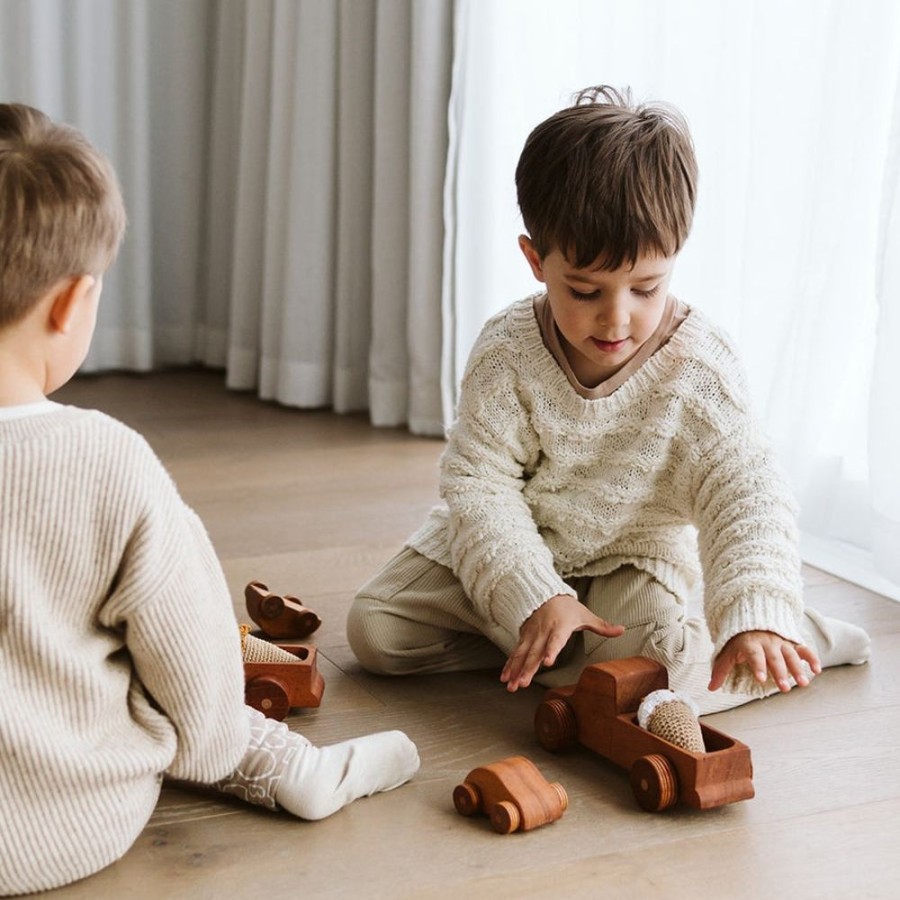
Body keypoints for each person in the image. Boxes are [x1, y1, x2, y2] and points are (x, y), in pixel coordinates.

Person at [0, 103, 419, 897]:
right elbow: (193, 674)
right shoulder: (107, 463)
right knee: (190, 702)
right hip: (72, 824)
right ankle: (291, 770)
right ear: (70, 304)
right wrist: (217, 742)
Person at [347, 85, 870, 716]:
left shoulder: (700, 366)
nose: (617, 319)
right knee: (376, 632)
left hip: (631, 562)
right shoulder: (508, 350)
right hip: (522, 543)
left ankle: (786, 634)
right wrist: (536, 595)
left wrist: (755, 603)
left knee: (665, 671)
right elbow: (479, 484)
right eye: (586, 290)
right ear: (536, 260)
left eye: (647, 288)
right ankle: (555, 648)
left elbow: (746, 491)